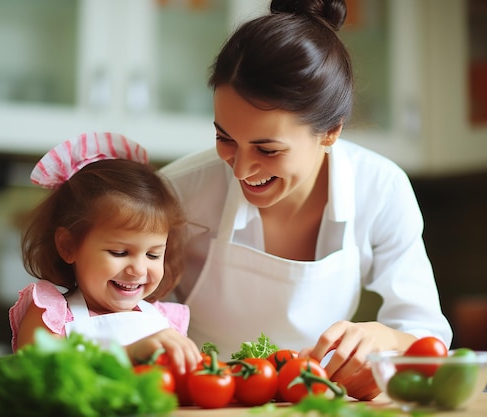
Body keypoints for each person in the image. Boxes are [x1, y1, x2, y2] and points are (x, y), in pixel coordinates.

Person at [159, 0, 452, 399]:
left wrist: (385, 341)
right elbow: (121, 317)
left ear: (330, 132)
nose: (241, 169)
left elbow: (427, 333)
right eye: (225, 138)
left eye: (268, 150)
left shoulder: (380, 189)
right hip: (202, 403)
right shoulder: (178, 192)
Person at [9, 132, 201, 374]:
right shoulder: (51, 314)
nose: (139, 269)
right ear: (68, 246)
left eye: (153, 255)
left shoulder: (165, 320)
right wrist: (127, 354)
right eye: (120, 252)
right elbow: (41, 370)